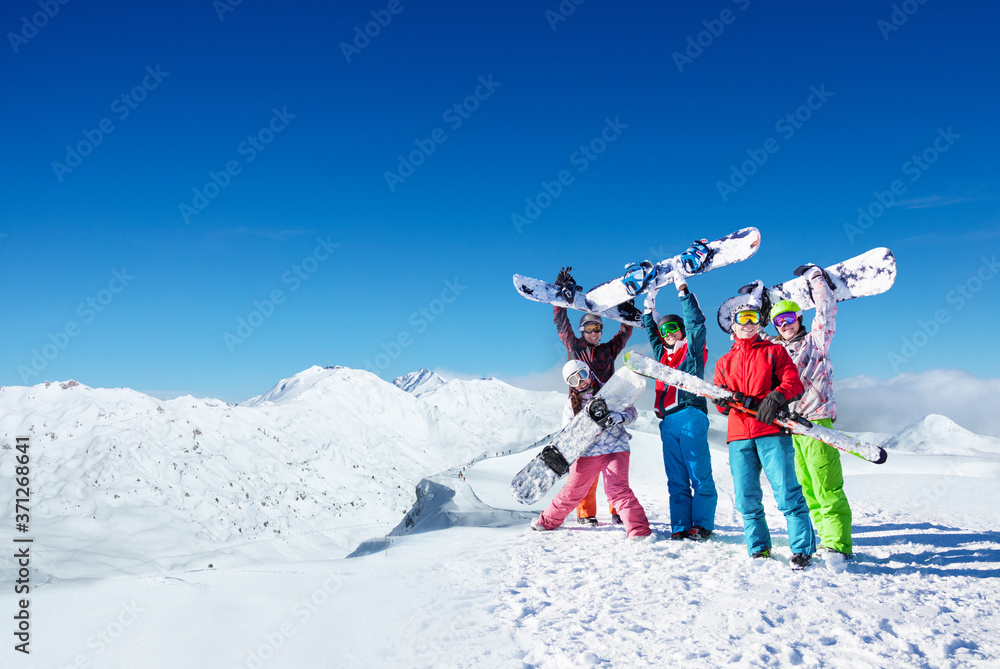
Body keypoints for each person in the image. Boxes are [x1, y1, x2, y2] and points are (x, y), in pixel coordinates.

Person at [712, 297, 816, 569]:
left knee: (786, 492)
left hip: (771, 432)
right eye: (742, 319)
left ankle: (802, 549)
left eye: (753, 318)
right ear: (732, 326)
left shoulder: (774, 352)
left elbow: (793, 382)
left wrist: (776, 397)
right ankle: (758, 548)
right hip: (738, 436)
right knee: (746, 497)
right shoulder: (723, 362)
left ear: (760, 323)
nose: (748, 324)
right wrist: (721, 404)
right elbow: (721, 401)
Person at [767, 266, 853, 559]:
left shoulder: (815, 341)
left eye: (789, 318)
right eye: (779, 321)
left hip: (816, 421)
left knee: (826, 484)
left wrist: (816, 280)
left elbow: (826, 312)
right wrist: (755, 300)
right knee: (807, 488)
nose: (785, 324)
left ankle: (837, 545)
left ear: (798, 317)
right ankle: (822, 538)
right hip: (789, 427)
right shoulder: (775, 350)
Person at [531, 360, 651, 539]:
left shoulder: (610, 392)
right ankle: (547, 521)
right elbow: (568, 433)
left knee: (617, 490)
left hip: (615, 447)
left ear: (589, 372)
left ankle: (639, 530)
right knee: (572, 491)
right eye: (574, 381)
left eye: (583, 375)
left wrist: (621, 417)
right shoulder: (571, 405)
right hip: (588, 452)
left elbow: (632, 413)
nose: (581, 382)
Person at [553, 268, 633, 525]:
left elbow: (624, 334)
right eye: (589, 328)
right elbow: (561, 323)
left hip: (607, 407)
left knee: (612, 464)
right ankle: (586, 513)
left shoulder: (608, 350)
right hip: (580, 407)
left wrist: (626, 311)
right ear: (582, 330)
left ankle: (617, 509)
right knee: (585, 462)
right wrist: (559, 299)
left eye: (597, 328)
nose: (594, 333)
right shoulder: (574, 347)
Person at [642, 275, 717, 541]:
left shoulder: (692, 351)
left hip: (690, 414)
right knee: (676, 479)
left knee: (698, 474)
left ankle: (702, 524)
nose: (668, 333)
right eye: (665, 331)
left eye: (672, 327)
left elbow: (697, 324)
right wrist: (649, 310)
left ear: (681, 329)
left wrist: (683, 291)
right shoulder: (661, 357)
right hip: (668, 422)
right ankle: (681, 526)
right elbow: (652, 334)